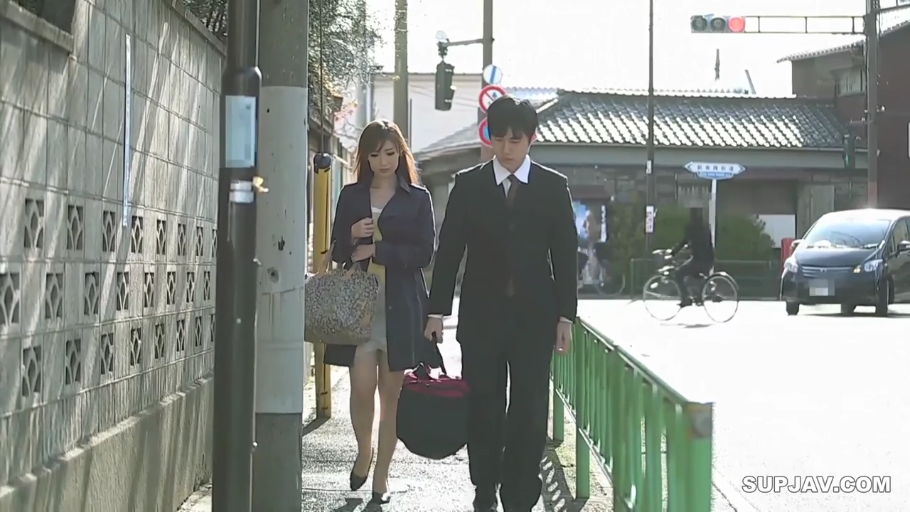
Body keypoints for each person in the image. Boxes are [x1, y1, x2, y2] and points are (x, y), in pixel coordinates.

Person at [424, 96, 578, 512]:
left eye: (515, 140)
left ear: (531, 139)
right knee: (484, 404)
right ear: (489, 137)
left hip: (535, 319)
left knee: (529, 409)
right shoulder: (469, 184)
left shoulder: (552, 187)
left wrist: (566, 316)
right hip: (481, 317)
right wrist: (437, 311)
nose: (506, 148)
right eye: (499, 139)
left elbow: (565, 254)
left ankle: (520, 494)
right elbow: (450, 249)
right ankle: (484, 486)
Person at [325, 119, 441, 505]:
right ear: (366, 157)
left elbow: (424, 253)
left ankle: (382, 476)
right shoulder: (352, 195)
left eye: (390, 153)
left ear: (401, 154)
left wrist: (379, 250)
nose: (383, 161)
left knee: (391, 397)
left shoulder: (417, 197)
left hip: (401, 308)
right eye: (374, 154)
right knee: (361, 390)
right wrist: (352, 235)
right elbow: (336, 251)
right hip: (358, 310)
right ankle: (364, 450)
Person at [670, 207, 715, 306]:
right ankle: (700, 295)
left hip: (698, 260)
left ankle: (685, 298)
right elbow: (704, 242)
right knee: (695, 273)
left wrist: (673, 252)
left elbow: (685, 241)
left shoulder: (691, 227)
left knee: (679, 274)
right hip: (710, 259)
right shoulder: (706, 226)